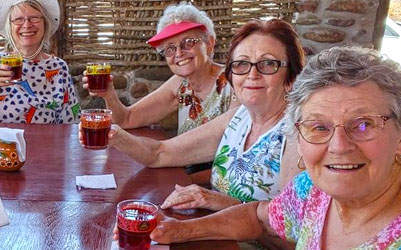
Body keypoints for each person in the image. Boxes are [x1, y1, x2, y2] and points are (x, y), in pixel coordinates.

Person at [147, 46, 401, 248]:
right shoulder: (312, 187)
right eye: (319, 127)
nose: (339, 146)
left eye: (363, 125)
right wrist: (179, 231)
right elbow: (258, 217)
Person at [88, 19, 305, 211]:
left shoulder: (297, 134)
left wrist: (210, 197)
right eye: (242, 64)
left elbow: (291, 226)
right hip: (210, 221)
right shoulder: (240, 117)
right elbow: (158, 150)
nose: (252, 74)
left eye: (268, 64)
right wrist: (115, 134)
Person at [85, 2, 237, 134]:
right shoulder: (181, 84)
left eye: (188, 42)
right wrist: (108, 95)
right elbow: (127, 119)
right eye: (170, 48)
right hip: (182, 166)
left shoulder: (234, 82)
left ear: (209, 43)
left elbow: (219, 145)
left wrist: (157, 151)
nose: (178, 53)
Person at [0, 0, 80, 124]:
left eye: (34, 18)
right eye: (18, 19)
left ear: (45, 23)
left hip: (46, 144)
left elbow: (71, 121)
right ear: (10, 26)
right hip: (0, 144)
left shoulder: (58, 67)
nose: (27, 25)